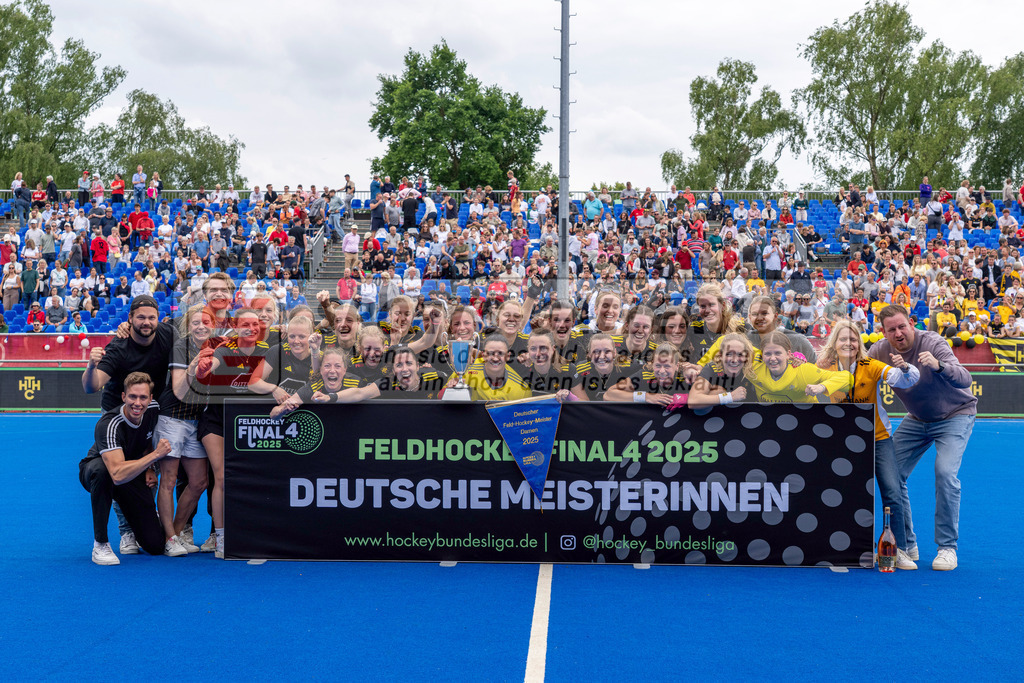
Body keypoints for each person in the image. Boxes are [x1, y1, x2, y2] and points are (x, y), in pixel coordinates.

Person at [868, 304, 977, 571]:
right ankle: (906, 545)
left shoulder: (934, 342)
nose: (898, 333)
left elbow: (965, 378)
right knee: (892, 475)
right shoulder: (880, 350)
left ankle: (947, 548)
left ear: (912, 323)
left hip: (955, 415)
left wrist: (939, 366)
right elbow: (852, 369)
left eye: (902, 326)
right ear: (883, 332)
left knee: (944, 473)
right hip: (917, 419)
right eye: (891, 329)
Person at [817, 320, 921, 570]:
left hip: (877, 437)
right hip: (841, 442)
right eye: (843, 339)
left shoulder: (869, 365)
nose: (849, 343)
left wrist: (905, 368)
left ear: (859, 343)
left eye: (853, 339)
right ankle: (841, 548)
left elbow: (903, 379)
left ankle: (900, 550)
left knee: (892, 492)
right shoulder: (825, 368)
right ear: (835, 342)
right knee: (842, 493)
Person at [78, 372, 171, 565]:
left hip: (131, 473)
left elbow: (146, 437)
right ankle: (101, 544)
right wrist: (154, 456)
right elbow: (117, 474)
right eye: (132, 397)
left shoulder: (153, 410)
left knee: (155, 545)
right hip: (100, 470)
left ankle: (140, 523)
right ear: (123, 397)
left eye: (143, 397)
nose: (138, 403)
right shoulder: (109, 424)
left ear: (150, 398)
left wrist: (150, 468)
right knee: (103, 474)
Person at [750, 331, 852, 402]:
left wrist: (822, 387)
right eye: (768, 354)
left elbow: (848, 379)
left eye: (778, 353)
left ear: (788, 354)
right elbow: (737, 341)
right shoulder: (755, 365)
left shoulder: (804, 371)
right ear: (762, 355)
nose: (772, 358)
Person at [687, 333, 758, 407]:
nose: (734, 360)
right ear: (720, 355)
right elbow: (693, 401)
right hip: (717, 416)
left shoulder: (753, 370)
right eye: (729, 354)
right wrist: (730, 397)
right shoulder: (711, 368)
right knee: (716, 391)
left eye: (740, 355)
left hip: (749, 415)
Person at [456, 334, 530, 400]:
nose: (495, 358)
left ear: (508, 356)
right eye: (491, 353)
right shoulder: (465, 372)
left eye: (500, 353)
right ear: (483, 355)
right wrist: (451, 386)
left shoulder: (522, 390)